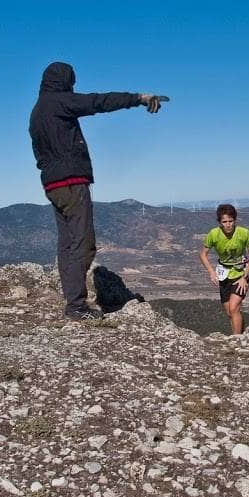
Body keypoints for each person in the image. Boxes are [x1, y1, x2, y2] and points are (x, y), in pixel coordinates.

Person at [30, 61, 167, 320]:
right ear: (64, 81)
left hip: (52, 185)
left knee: (67, 245)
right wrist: (138, 98)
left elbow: (39, 154)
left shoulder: (36, 112)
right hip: (72, 183)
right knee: (83, 245)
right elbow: (98, 102)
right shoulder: (59, 102)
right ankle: (77, 307)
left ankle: (73, 302)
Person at [199, 204, 249, 335]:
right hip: (223, 274)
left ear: (235, 220)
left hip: (241, 273)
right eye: (224, 222)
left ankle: (236, 342)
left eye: (230, 221)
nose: (228, 225)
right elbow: (203, 254)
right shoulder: (213, 234)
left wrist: (245, 277)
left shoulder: (244, 233)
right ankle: (240, 333)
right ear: (220, 222)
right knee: (229, 312)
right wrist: (211, 272)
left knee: (234, 307)